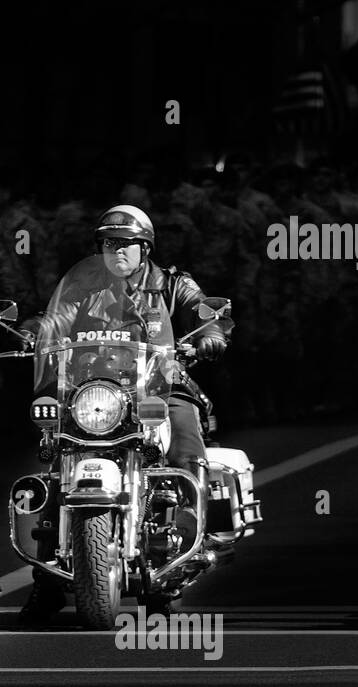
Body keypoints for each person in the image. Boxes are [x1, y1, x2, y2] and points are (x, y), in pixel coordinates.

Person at [17, 204, 229, 621]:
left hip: (160, 388)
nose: (117, 250)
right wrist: (33, 332)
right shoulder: (86, 288)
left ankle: (189, 550)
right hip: (95, 392)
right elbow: (56, 319)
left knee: (187, 454)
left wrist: (211, 333)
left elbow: (202, 310)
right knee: (59, 462)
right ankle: (48, 581)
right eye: (109, 242)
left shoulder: (170, 284)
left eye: (126, 243)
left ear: (144, 247)